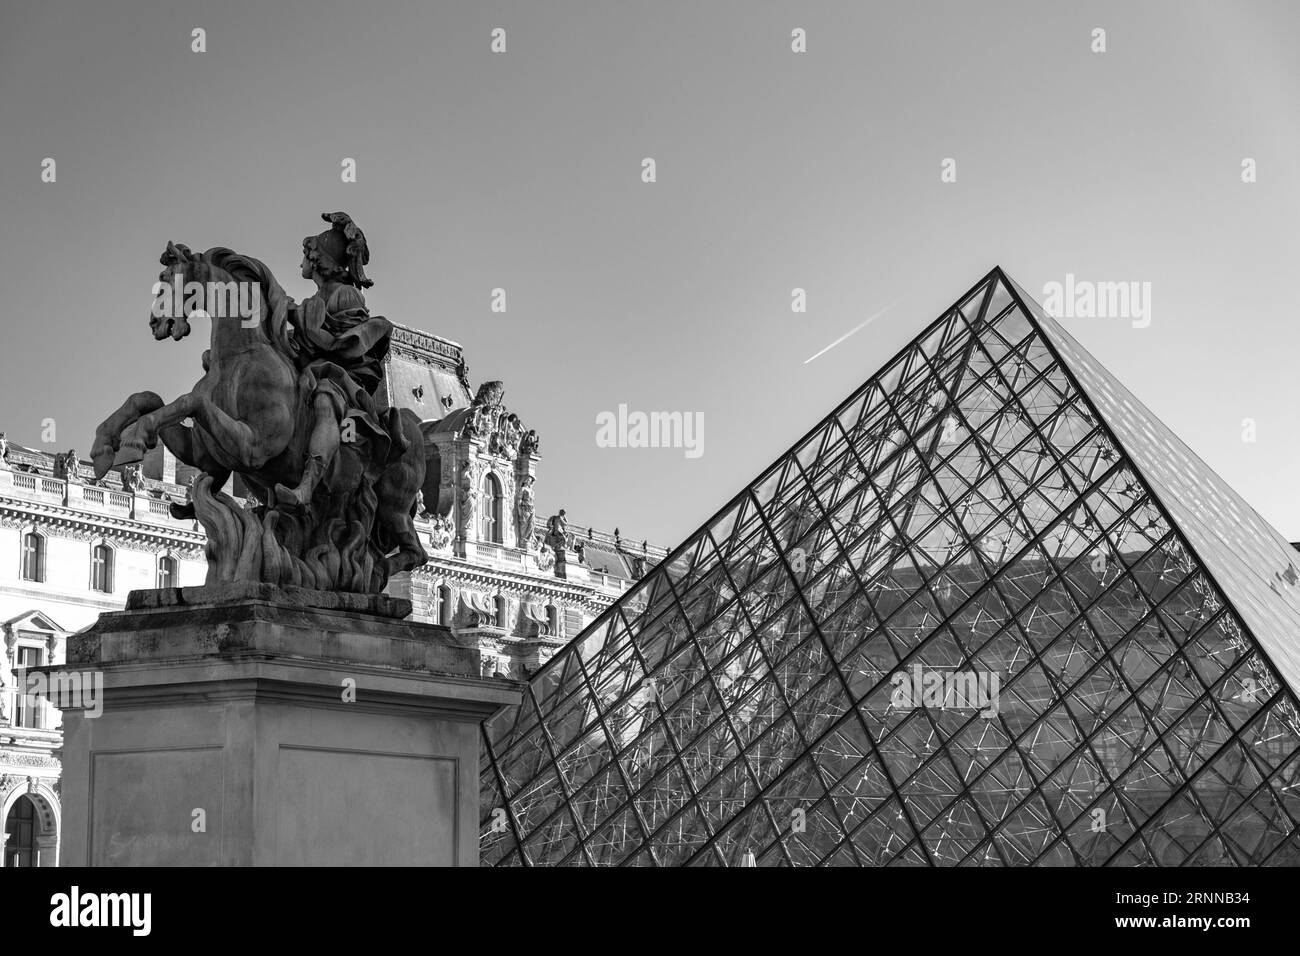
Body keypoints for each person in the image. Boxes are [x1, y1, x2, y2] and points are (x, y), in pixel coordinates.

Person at [273, 213, 403, 507]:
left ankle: (307, 486)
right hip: (315, 370)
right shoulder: (315, 299)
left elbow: (340, 344)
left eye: (306, 255)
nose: (301, 262)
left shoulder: (346, 295)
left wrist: (301, 320)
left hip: (343, 378)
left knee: (324, 402)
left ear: (319, 261)